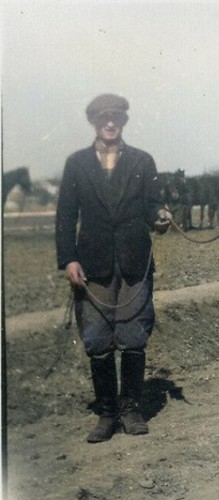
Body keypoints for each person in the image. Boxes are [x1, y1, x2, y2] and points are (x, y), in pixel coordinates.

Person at [55, 93, 172, 443]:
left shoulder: (142, 161)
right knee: (97, 338)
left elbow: (152, 207)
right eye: (104, 117)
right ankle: (107, 414)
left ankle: (132, 409)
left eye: (117, 117)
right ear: (94, 121)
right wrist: (69, 259)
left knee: (134, 334)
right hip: (93, 264)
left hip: (135, 261)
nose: (110, 123)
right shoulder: (76, 164)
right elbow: (65, 216)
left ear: (124, 122)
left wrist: (160, 218)